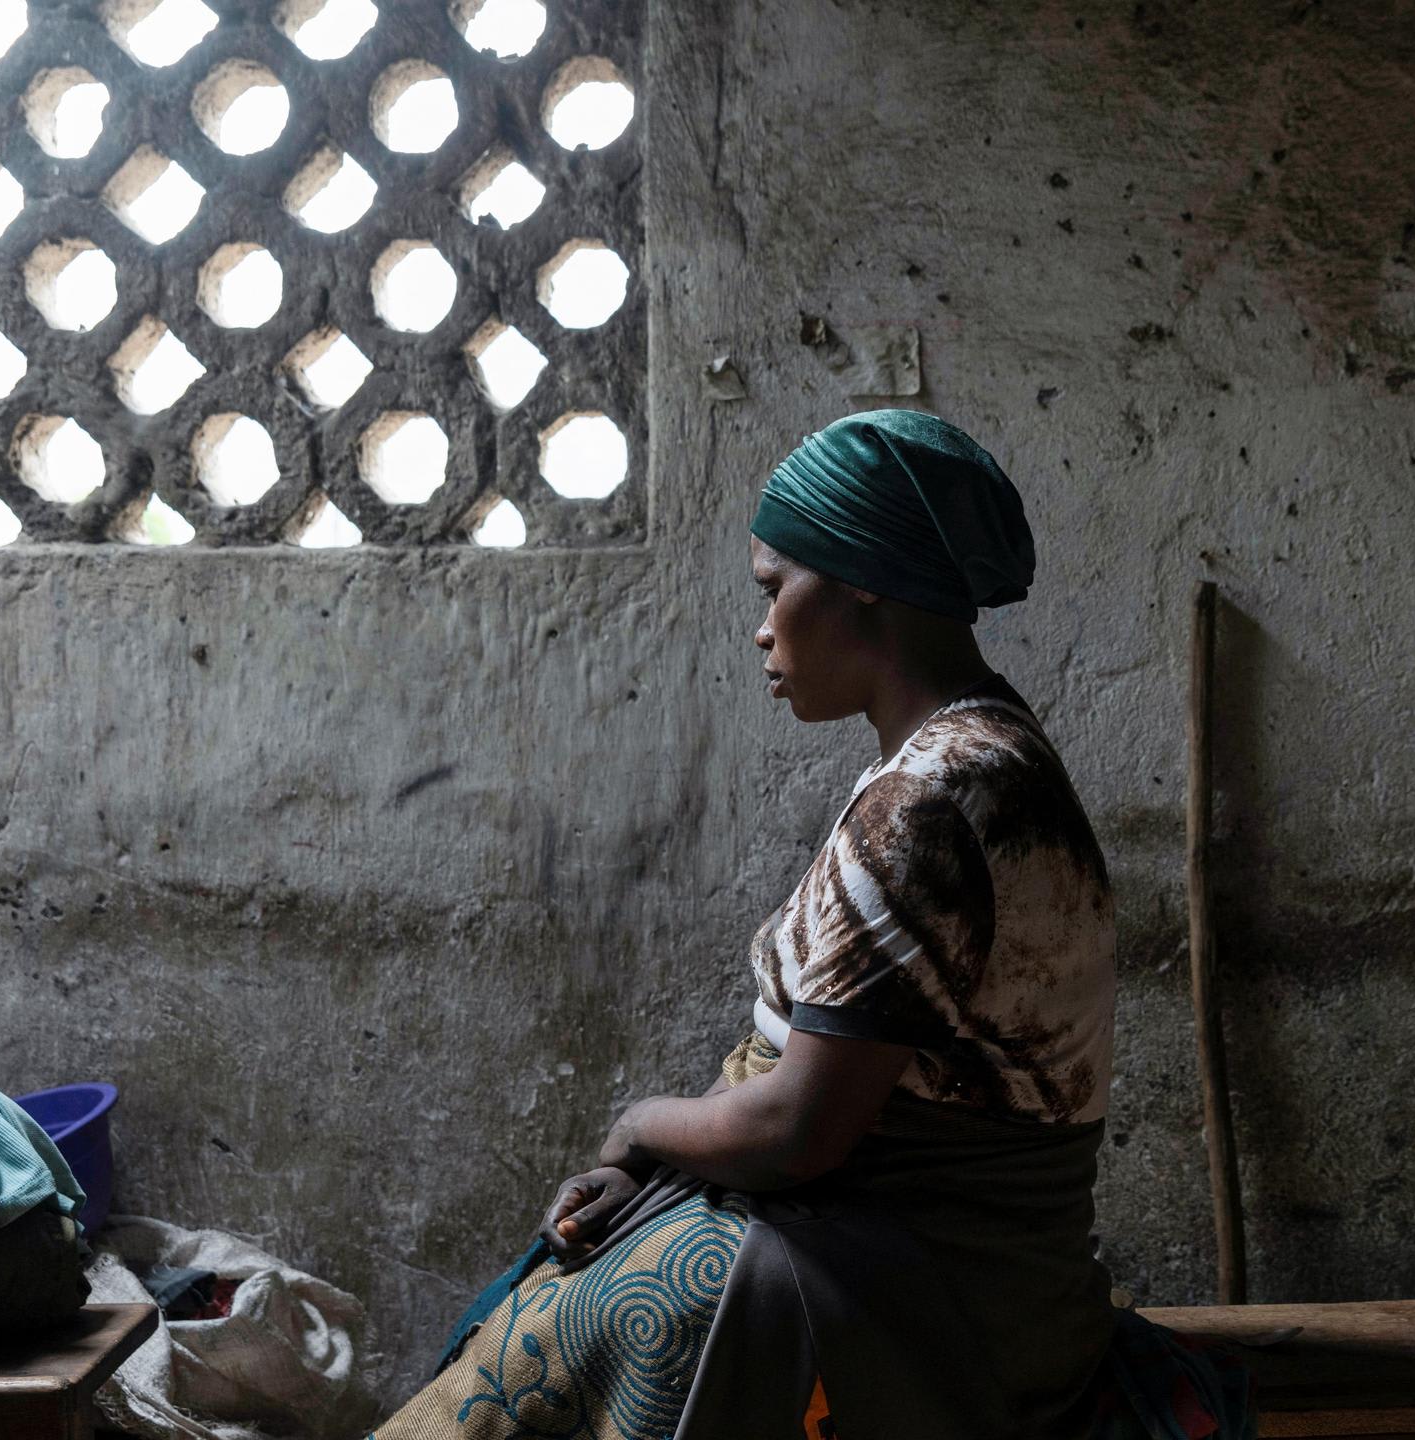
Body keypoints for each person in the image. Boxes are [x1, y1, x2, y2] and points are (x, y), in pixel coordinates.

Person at [370, 410, 1253, 1440]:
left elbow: (799, 1132)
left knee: (612, 1318)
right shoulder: (988, 752)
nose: (761, 628)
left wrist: (639, 1126)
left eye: (773, 586)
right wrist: (656, 1169)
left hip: (928, 1299)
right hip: (970, 1273)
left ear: (862, 578)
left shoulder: (927, 802)